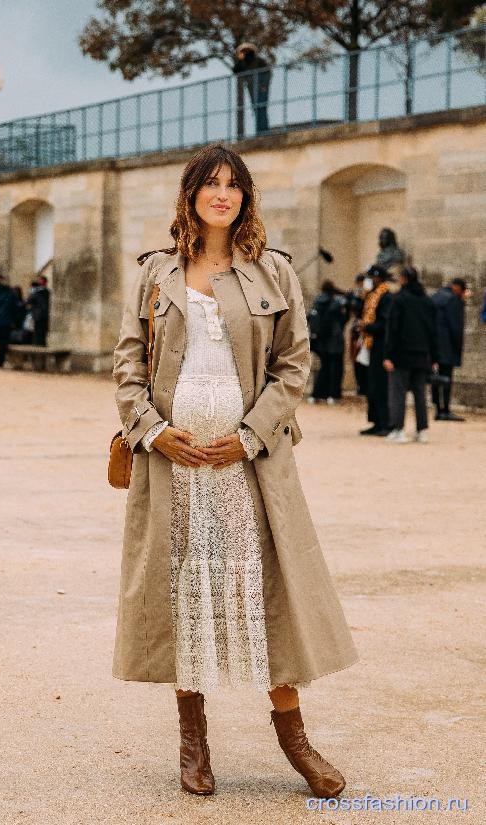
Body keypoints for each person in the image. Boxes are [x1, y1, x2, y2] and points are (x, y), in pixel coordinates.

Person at [112, 144, 358, 799]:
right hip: (174, 465)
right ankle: (193, 744)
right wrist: (158, 434)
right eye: (209, 183)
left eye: (233, 184)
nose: (222, 193)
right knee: (184, 593)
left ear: (246, 197)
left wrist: (249, 436)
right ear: (190, 194)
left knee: (261, 593)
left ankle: (295, 741)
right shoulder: (156, 273)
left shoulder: (274, 271)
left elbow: (295, 365)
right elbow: (128, 366)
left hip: (249, 464)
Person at [383, 266, 438, 444]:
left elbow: (393, 329)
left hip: (401, 354)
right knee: (420, 394)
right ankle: (422, 430)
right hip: (422, 354)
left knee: (397, 393)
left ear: (404, 279)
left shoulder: (399, 300)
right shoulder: (427, 301)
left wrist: (388, 354)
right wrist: (434, 356)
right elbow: (433, 331)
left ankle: (398, 429)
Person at [358, 265, 393, 436]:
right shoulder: (371, 295)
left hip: (381, 346)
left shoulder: (386, 297)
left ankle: (385, 422)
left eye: (371, 278)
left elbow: (384, 324)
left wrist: (368, 327)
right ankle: (376, 421)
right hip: (371, 344)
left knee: (381, 385)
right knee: (372, 385)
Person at [431, 278, 467, 422]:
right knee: (446, 378)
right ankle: (444, 410)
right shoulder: (453, 300)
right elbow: (455, 327)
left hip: (434, 345)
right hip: (447, 346)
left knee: (435, 378)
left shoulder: (435, 296)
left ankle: (438, 408)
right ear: (458, 288)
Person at [307, 280, 347, 404]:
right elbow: (343, 319)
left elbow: (309, 318)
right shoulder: (336, 303)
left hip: (320, 342)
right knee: (335, 369)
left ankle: (317, 394)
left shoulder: (317, 302)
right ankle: (333, 395)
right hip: (334, 341)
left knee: (323, 368)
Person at [233, 43, 271, 135]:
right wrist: (240, 60)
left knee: (261, 108)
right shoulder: (243, 64)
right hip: (251, 89)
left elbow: (267, 72)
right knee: (256, 109)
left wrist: (264, 85)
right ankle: (260, 131)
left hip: (261, 88)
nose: (245, 53)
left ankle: (263, 131)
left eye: (245, 51)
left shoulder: (259, 61)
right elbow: (235, 70)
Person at [346, 273, 368, 395]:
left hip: (365, 331)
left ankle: (364, 385)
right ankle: (360, 385)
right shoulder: (354, 295)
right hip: (356, 331)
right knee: (356, 359)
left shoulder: (369, 295)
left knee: (364, 359)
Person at [26, 275, 51, 346]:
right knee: (40, 335)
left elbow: (28, 302)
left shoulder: (38, 292)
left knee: (40, 336)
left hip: (40, 316)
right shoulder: (44, 292)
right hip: (41, 316)